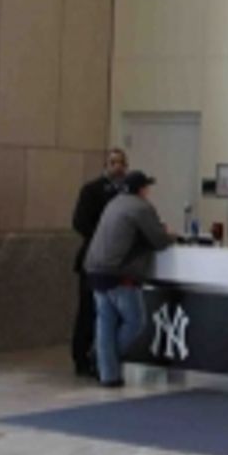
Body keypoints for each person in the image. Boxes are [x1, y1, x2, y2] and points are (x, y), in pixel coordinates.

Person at [82, 169, 170, 387]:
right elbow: (159, 240)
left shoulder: (114, 203)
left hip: (94, 268)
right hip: (119, 272)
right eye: (147, 187)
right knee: (135, 321)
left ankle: (108, 374)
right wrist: (171, 235)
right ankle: (103, 359)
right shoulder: (141, 207)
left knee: (105, 322)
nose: (148, 191)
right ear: (141, 189)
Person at [70, 148, 129, 375]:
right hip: (94, 258)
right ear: (106, 165)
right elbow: (79, 222)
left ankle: (102, 357)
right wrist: (104, 237)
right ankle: (81, 357)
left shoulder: (127, 192)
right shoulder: (92, 190)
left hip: (117, 261)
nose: (118, 167)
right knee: (88, 310)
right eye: (113, 162)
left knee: (110, 313)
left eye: (121, 163)